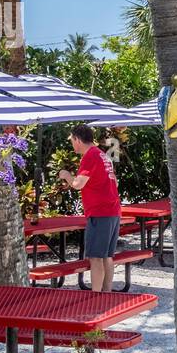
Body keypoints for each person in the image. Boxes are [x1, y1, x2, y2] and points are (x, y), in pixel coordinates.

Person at [58, 124, 121, 291]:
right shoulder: (102, 155)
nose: (72, 144)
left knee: (96, 257)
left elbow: (78, 184)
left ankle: (96, 296)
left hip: (100, 212)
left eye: (72, 140)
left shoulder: (90, 156)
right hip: (112, 210)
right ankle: (106, 294)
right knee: (107, 256)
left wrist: (66, 176)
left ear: (78, 140)